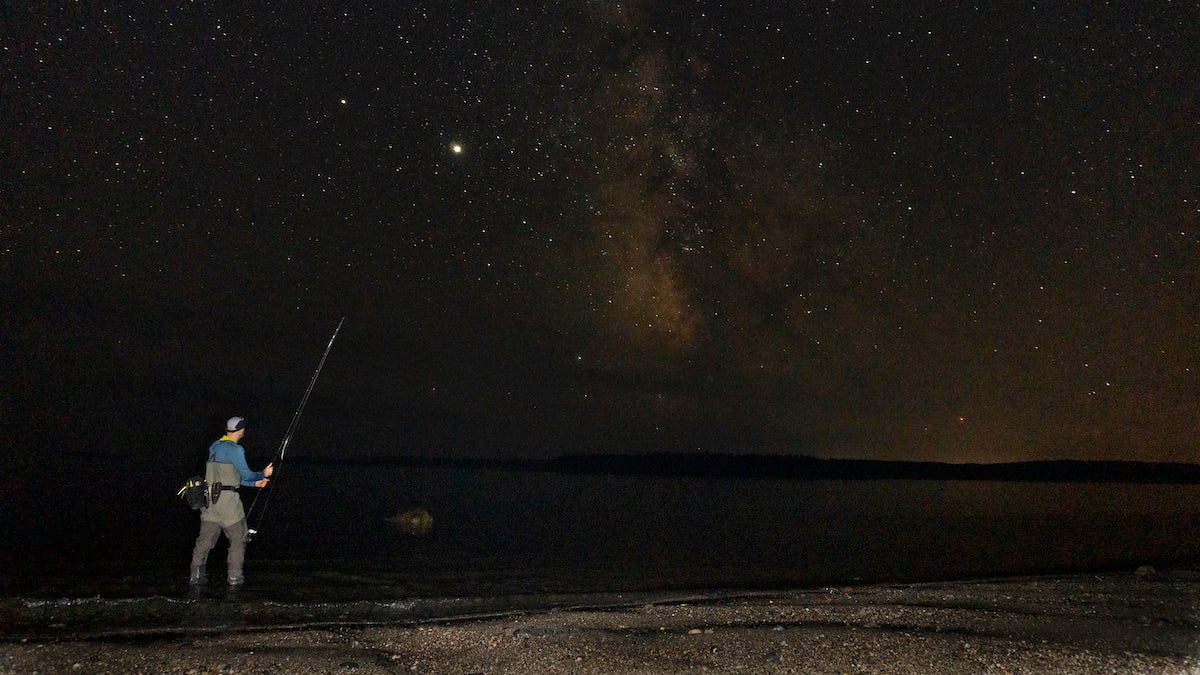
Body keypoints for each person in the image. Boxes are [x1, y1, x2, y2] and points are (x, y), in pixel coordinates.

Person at [188, 416, 273, 587]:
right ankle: (234, 579)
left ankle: (195, 578)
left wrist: (255, 484)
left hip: (209, 503)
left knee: (204, 541)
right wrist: (262, 474)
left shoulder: (215, 446)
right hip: (228, 505)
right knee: (238, 538)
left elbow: (229, 477)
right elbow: (245, 474)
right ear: (241, 430)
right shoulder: (235, 449)